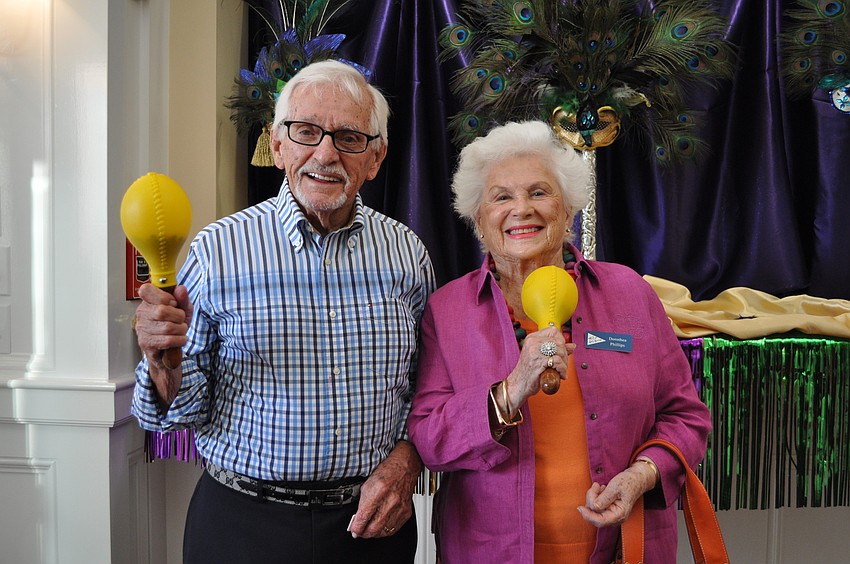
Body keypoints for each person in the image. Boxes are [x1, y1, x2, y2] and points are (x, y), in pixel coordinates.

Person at [131, 60, 435, 564]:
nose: (326, 154)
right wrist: (163, 364)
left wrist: (407, 459)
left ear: (375, 157)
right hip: (242, 528)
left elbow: (429, 384)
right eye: (306, 132)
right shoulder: (219, 250)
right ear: (277, 145)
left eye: (349, 138)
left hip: (373, 527)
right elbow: (174, 416)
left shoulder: (407, 253)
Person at [407, 121, 712, 563]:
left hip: (624, 550)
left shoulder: (629, 293)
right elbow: (429, 440)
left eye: (539, 192)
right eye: (501, 197)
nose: (522, 209)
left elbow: (686, 416)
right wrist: (511, 389)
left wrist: (644, 474)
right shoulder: (448, 311)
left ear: (568, 211)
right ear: (478, 220)